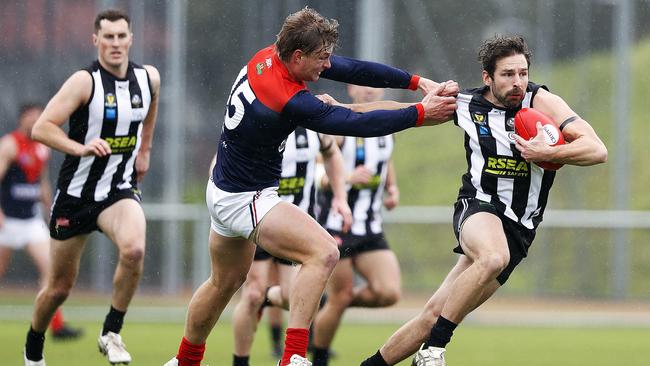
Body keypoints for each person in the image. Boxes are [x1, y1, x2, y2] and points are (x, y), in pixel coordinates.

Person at [164, 6, 458, 366]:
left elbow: (352, 67)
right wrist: (420, 115)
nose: (326, 66)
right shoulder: (286, 98)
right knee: (324, 253)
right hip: (247, 198)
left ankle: (184, 360)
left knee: (224, 283)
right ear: (299, 56)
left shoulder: (271, 55)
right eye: (321, 59)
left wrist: (416, 83)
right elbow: (354, 123)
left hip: (224, 190)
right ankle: (292, 358)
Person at [358, 35, 607, 366]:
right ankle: (433, 351)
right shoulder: (466, 105)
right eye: (507, 74)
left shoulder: (542, 102)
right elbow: (398, 111)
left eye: (522, 73)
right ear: (487, 77)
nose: (517, 82)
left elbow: (597, 149)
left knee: (433, 315)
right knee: (491, 257)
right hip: (478, 207)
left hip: (520, 229)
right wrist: (337, 111)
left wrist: (549, 152)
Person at [23, 9, 161, 366]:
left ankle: (111, 332)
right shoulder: (84, 82)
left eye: (121, 36)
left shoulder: (149, 79)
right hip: (76, 195)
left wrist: (144, 150)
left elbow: (151, 109)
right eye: (108, 37)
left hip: (118, 189)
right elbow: (42, 127)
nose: (115, 43)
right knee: (58, 289)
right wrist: (79, 147)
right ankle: (33, 349)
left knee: (133, 250)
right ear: (95, 40)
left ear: (131, 38)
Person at [231, 128, 352, 366]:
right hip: (260, 220)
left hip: (296, 227)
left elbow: (332, 153)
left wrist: (340, 197)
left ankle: (269, 297)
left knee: (292, 297)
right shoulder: (258, 118)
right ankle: (241, 362)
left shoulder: (314, 125)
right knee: (252, 293)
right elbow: (220, 162)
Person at [309, 85, 402, 366]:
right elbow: (317, 171)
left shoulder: (386, 127)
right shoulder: (340, 127)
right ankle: (319, 359)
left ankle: (325, 305)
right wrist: (347, 178)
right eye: (364, 86)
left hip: (370, 226)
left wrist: (392, 187)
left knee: (388, 293)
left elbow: (386, 160)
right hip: (338, 225)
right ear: (351, 90)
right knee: (341, 294)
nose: (371, 91)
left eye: (376, 86)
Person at [0, 103, 83, 341]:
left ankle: (56, 327)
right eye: (31, 117)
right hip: (7, 221)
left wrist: (50, 210)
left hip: (30, 220)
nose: (35, 120)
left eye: (39, 116)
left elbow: (42, 181)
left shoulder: (42, 148)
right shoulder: (10, 145)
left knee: (52, 270)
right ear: (21, 119)